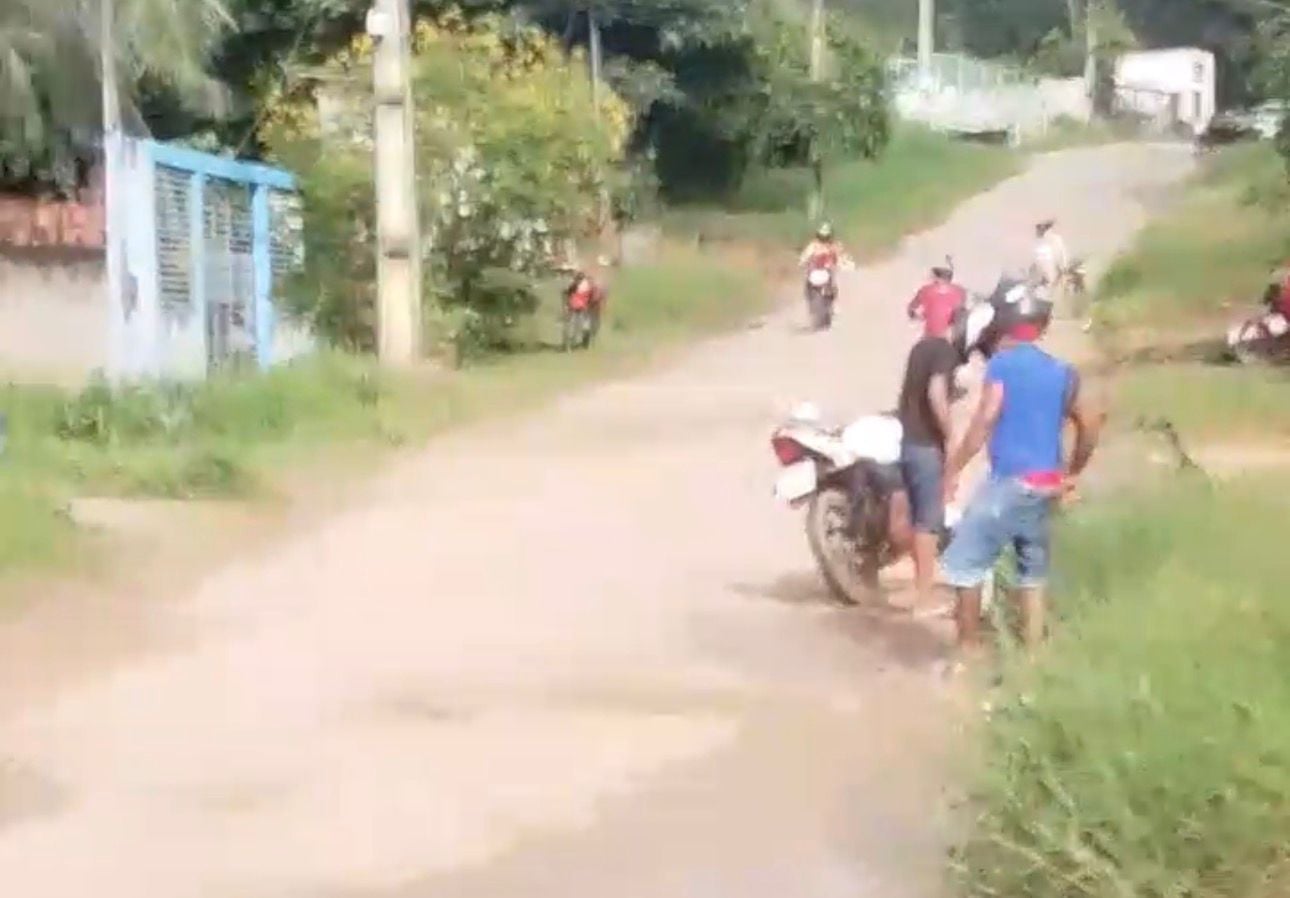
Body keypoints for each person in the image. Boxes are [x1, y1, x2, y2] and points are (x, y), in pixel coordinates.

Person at [939, 287, 1103, 658]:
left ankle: (967, 653)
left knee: (965, 562)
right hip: (1046, 484)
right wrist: (1073, 471)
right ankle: (1032, 661)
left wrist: (953, 468)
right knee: (1032, 572)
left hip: (1009, 481)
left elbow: (985, 420)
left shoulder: (1002, 365)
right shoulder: (1063, 372)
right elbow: (1090, 422)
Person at [895, 319, 960, 612]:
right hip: (925, 444)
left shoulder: (919, 348)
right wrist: (950, 433)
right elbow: (936, 393)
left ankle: (916, 587)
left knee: (913, 514)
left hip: (907, 440)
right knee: (929, 522)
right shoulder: (944, 351)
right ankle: (924, 597)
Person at [907, 262, 967, 339]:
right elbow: (961, 314)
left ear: (936, 278)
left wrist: (918, 317)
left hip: (930, 335)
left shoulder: (925, 290)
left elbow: (911, 309)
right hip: (950, 337)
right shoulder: (960, 291)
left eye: (932, 277)